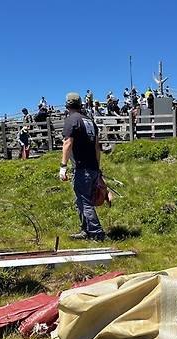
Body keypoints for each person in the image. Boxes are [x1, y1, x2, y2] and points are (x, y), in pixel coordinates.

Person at [60, 92, 106, 241]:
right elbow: (97, 147)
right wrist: (97, 169)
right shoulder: (90, 121)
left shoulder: (71, 120)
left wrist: (63, 166)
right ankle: (85, 230)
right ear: (80, 104)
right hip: (92, 166)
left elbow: (67, 143)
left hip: (82, 167)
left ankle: (96, 232)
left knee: (84, 201)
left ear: (67, 105)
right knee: (81, 200)